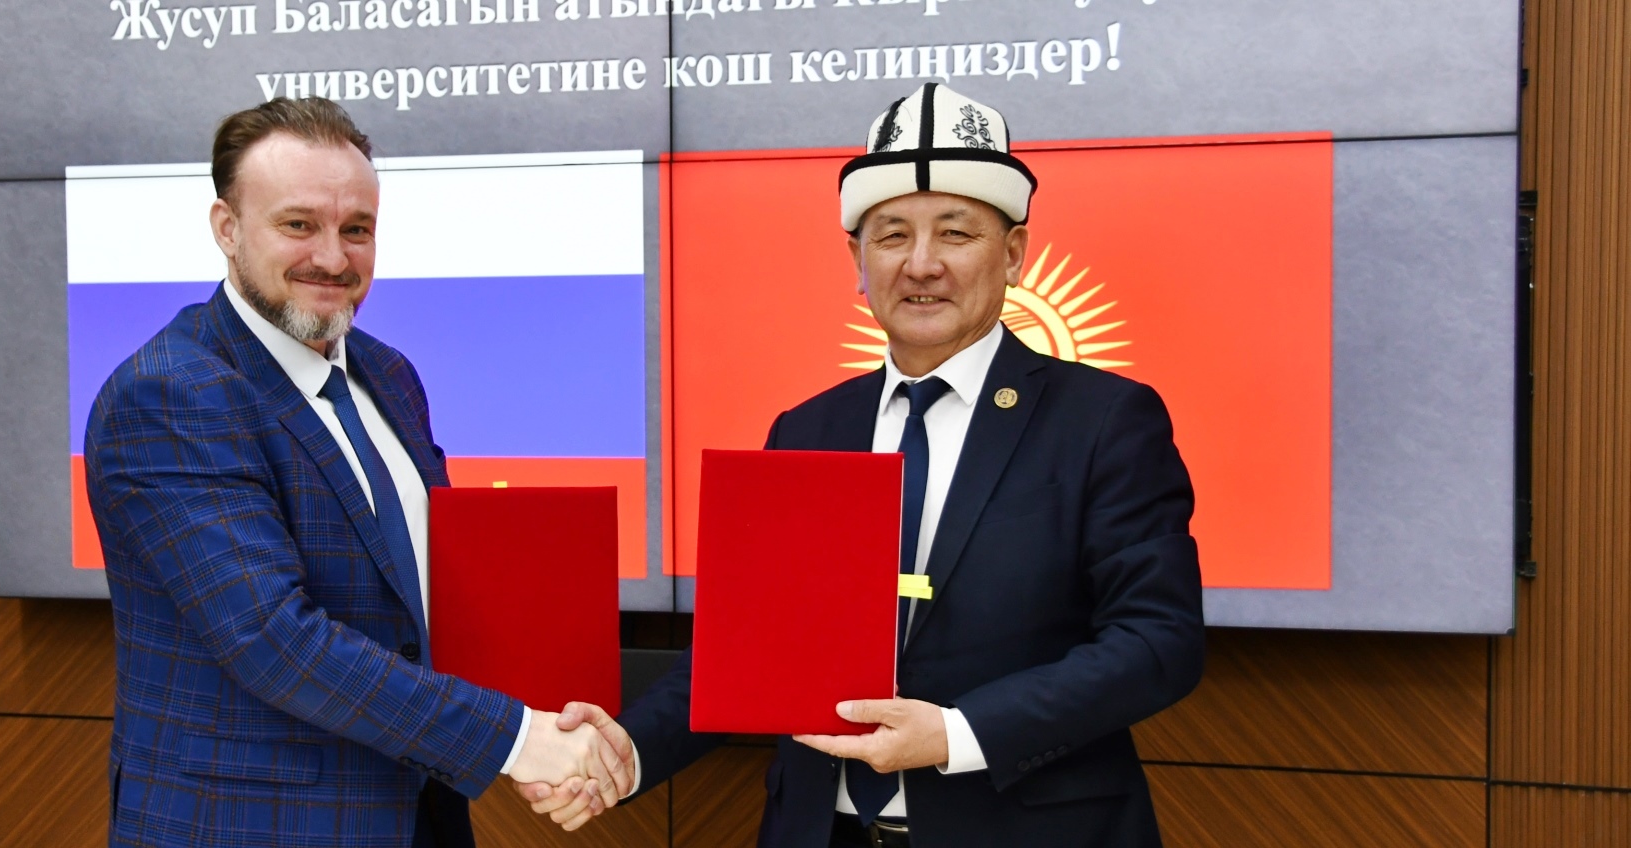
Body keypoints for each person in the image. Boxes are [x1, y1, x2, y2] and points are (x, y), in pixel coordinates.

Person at [523, 83, 1206, 846]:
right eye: (891, 236)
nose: (922, 265)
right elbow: (744, 649)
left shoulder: (1104, 421)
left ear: (1014, 254)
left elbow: (1158, 641)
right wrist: (629, 751)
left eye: (956, 233)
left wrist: (954, 733)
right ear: (857, 259)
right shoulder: (808, 429)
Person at [83, 97, 628, 848]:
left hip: (418, 815)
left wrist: (556, 719)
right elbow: (273, 638)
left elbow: (424, 601)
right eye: (298, 225)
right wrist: (520, 739)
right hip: (248, 828)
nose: (334, 259)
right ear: (227, 228)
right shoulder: (171, 393)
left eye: (357, 230)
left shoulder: (388, 374)